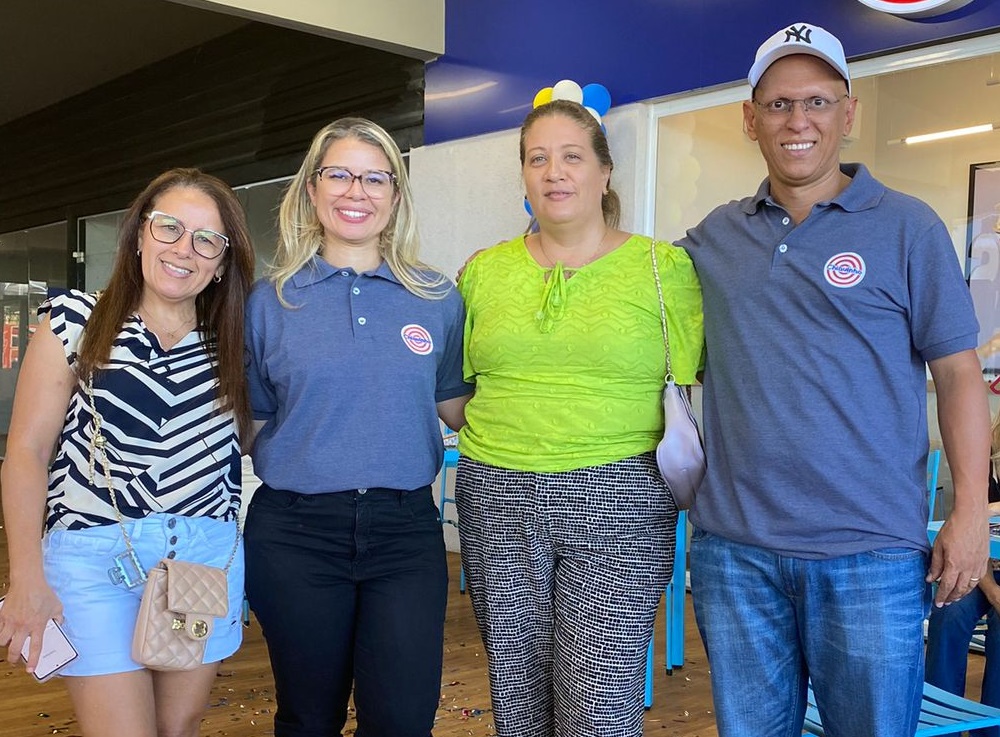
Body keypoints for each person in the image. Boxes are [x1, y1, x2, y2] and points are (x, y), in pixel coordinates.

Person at [678, 21, 992, 737]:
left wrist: (970, 508)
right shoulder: (712, 239)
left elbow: (958, 373)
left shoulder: (909, 228)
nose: (799, 121)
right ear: (750, 118)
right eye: (781, 104)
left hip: (870, 554)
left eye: (818, 102)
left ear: (848, 114)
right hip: (735, 552)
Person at [455, 98, 704, 737]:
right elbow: (453, 389)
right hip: (494, 490)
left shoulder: (663, 269)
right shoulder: (483, 272)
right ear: (523, 177)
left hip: (620, 491)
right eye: (537, 159)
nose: (553, 172)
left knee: (598, 708)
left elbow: (704, 383)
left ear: (604, 171)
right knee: (517, 699)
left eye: (571, 156)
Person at [0, 168, 255, 737]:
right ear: (139, 234)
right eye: (169, 227)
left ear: (221, 262)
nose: (183, 249)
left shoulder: (235, 340)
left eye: (205, 239)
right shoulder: (74, 321)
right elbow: (26, 453)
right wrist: (26, 579)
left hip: (202, 558)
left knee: (178, 726)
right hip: (94, 558)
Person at [243, 117, 472, 737]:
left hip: (404, 534)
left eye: (376, 178)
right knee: (308, 718)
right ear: (311, 189)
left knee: (401, 719)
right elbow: (248, 424)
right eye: (339, 174)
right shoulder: (270, 301)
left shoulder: (438, 298)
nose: (356, 192)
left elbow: (458, 407)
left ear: (395, 197)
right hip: (295, 535)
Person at [925, 408, 1000, 737]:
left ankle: (991, 728)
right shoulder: (985, 461)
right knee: (948, 610)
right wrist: (993, 591)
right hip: (984, 571)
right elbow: (970, 534)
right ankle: (940, 726)